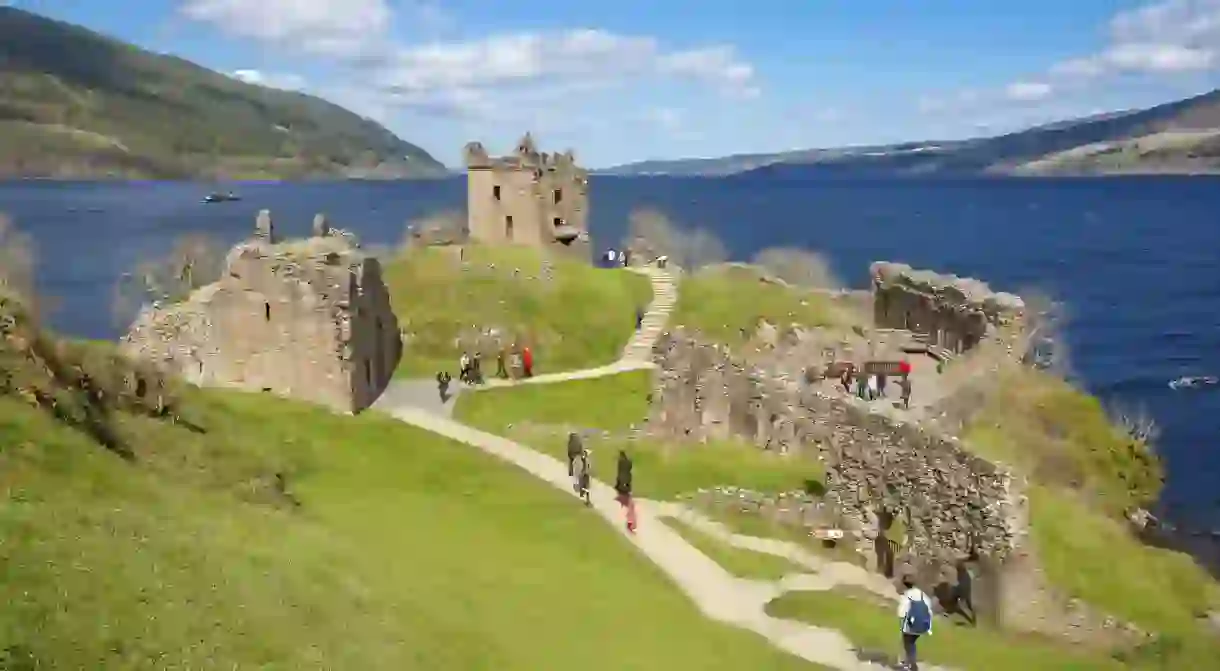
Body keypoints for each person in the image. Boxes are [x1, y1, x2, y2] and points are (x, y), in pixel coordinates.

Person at [897, 576, 934, 670]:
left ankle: (912, 664)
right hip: (922, 625)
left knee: (908, 643)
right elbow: (928, 607)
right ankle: (908, 661)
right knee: (911, 643)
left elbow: (902, 611)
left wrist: (901, 619)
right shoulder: (921, 594)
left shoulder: (906, 594)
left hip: (911, 625)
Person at [615, 450, 637, 533]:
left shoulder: (620, 463)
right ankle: (630, 523)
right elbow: (630, 466)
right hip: (626, 485)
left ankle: (629, 523)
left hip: (622, 485)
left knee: (628, 506)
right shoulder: (626, 463)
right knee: (630, 506)